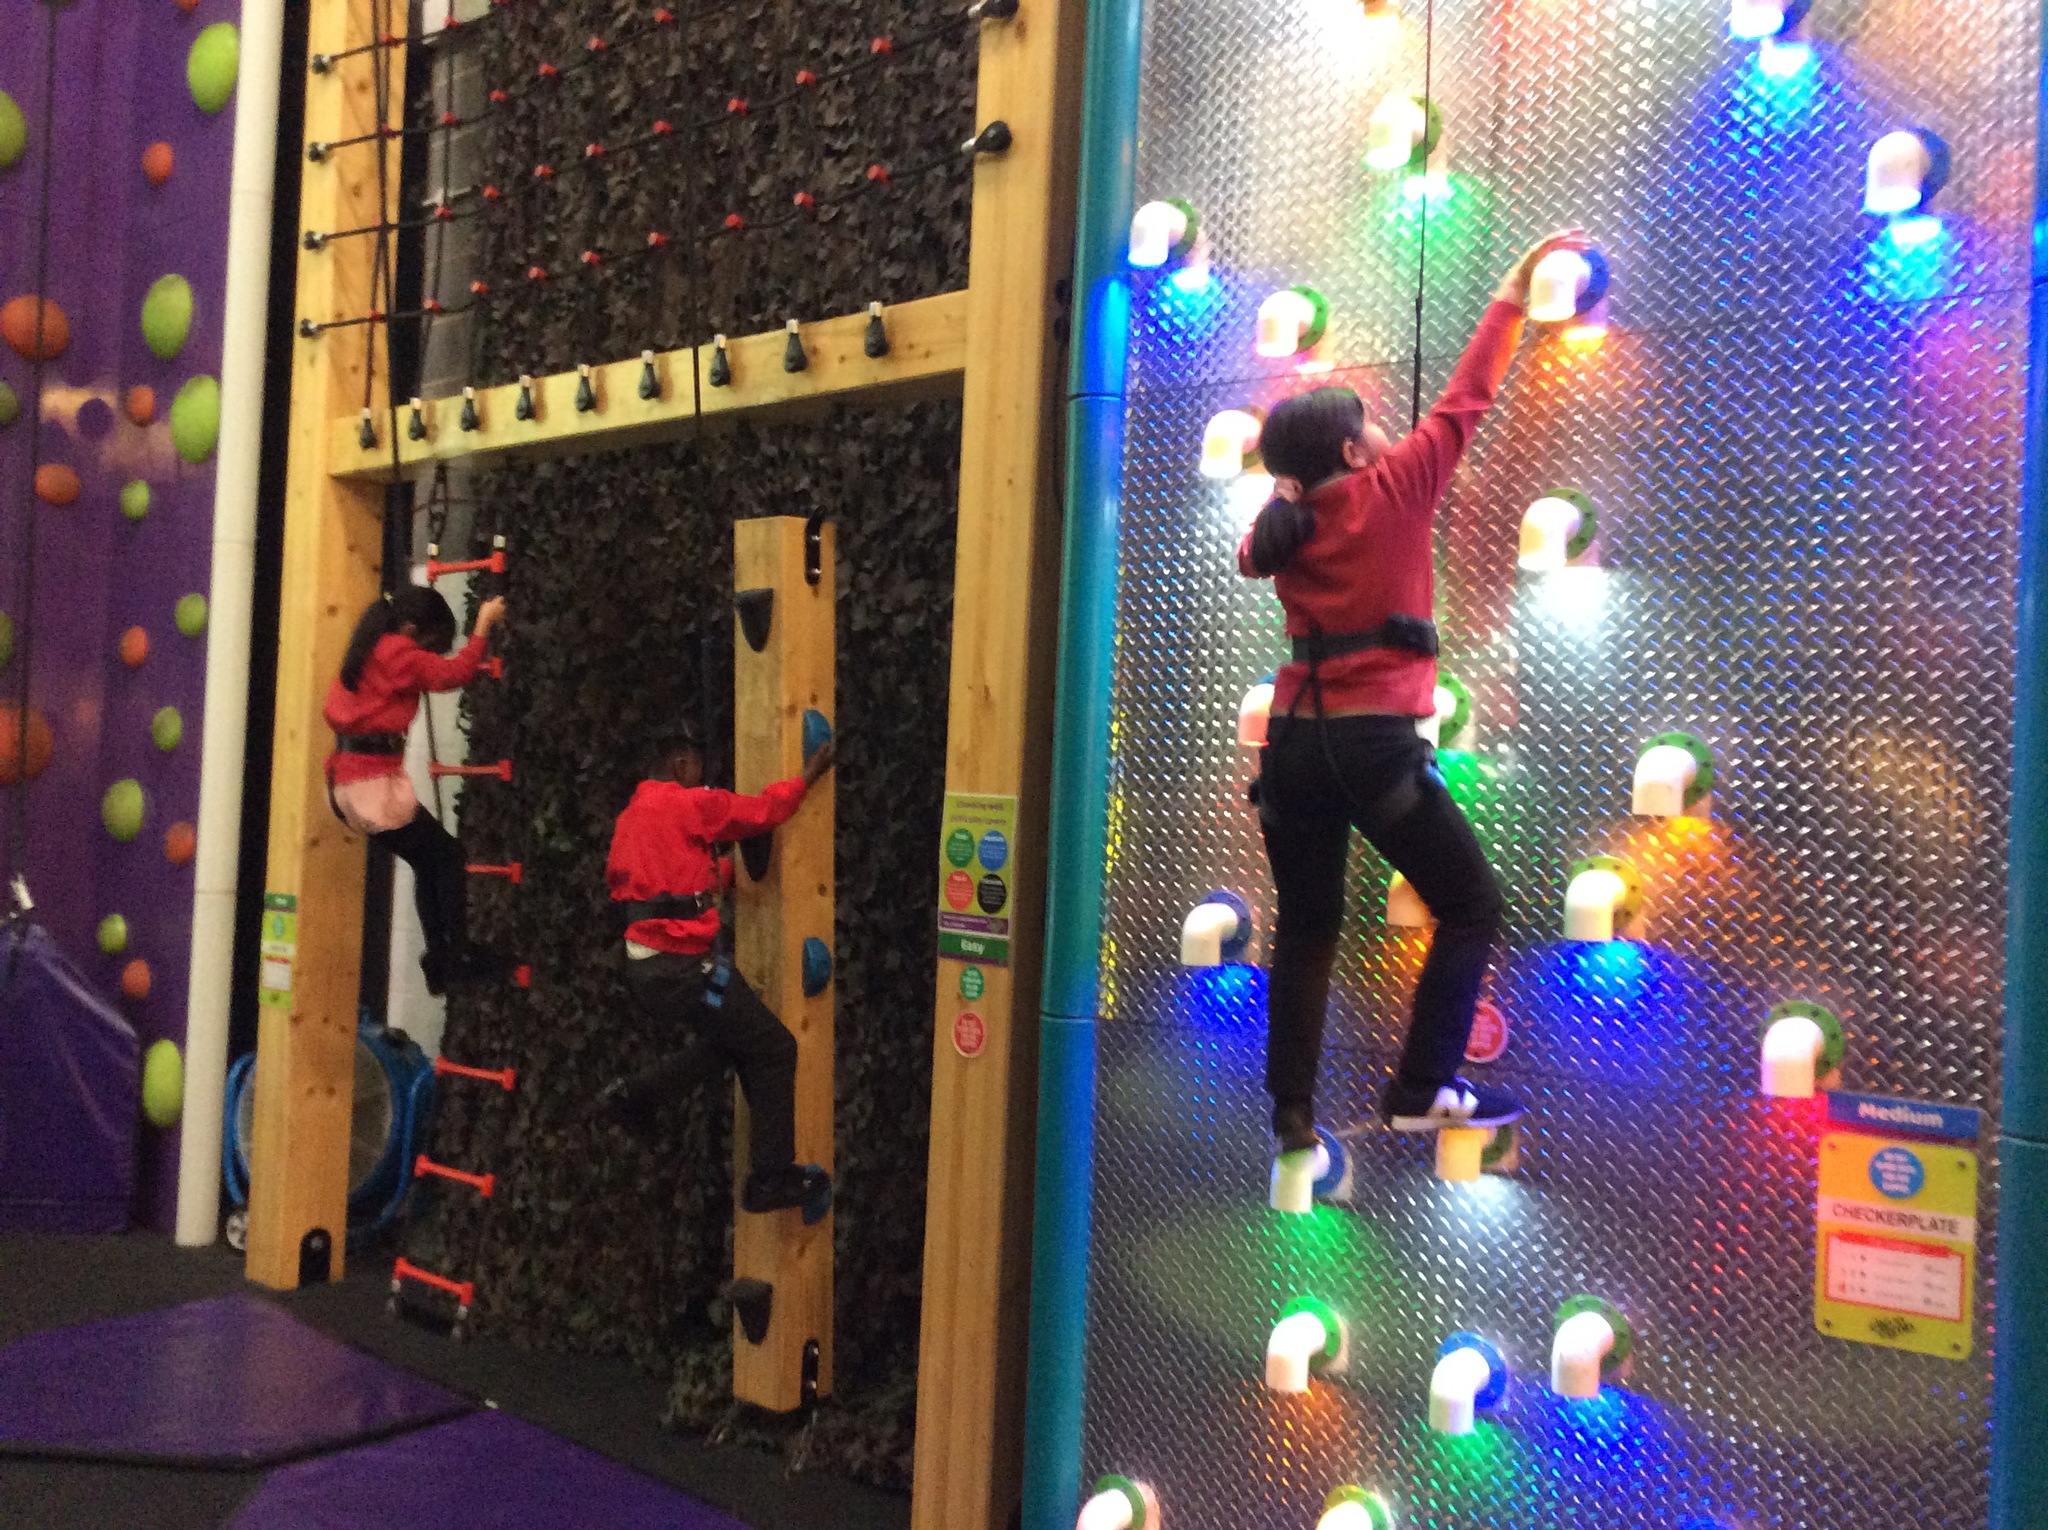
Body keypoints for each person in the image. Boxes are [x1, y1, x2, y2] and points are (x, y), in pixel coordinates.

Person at [1239, 229, 1588, 1160]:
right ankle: (1421, 1087)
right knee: (1470, 906)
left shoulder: (1281, 528)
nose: (1387, 433)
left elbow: (1265, 534)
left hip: (1291, 750)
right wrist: (1511, 293)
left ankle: (1291, 1114)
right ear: (1354, 450)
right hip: (1374, 749)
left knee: (1307, 925)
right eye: (1370, 426)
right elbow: (1470, 395)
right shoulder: (1395, 487)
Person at [595, 727, 836, 1220]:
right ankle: (770, 1179)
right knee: (776, 1048)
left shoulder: (630, 819)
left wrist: (719, 875)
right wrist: (808, 775)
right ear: (681, 764)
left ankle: (633, 1095)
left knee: (732, 1044)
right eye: (698, 768)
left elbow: (668, 886)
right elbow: (763, 811)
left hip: (648, 973)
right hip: (687, 971)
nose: (702, 777)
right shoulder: (691, 804)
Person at [324, 585, 509, 997]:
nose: (428, 654)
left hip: (345, 784)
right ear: (411, 629)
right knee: (448, 856)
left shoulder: (368, 648)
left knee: (430, 861)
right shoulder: (397, 652)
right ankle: (455, 955)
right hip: (370, 786)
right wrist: (483, 623)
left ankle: (442, 960)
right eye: (429, 642)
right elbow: (456, 673)